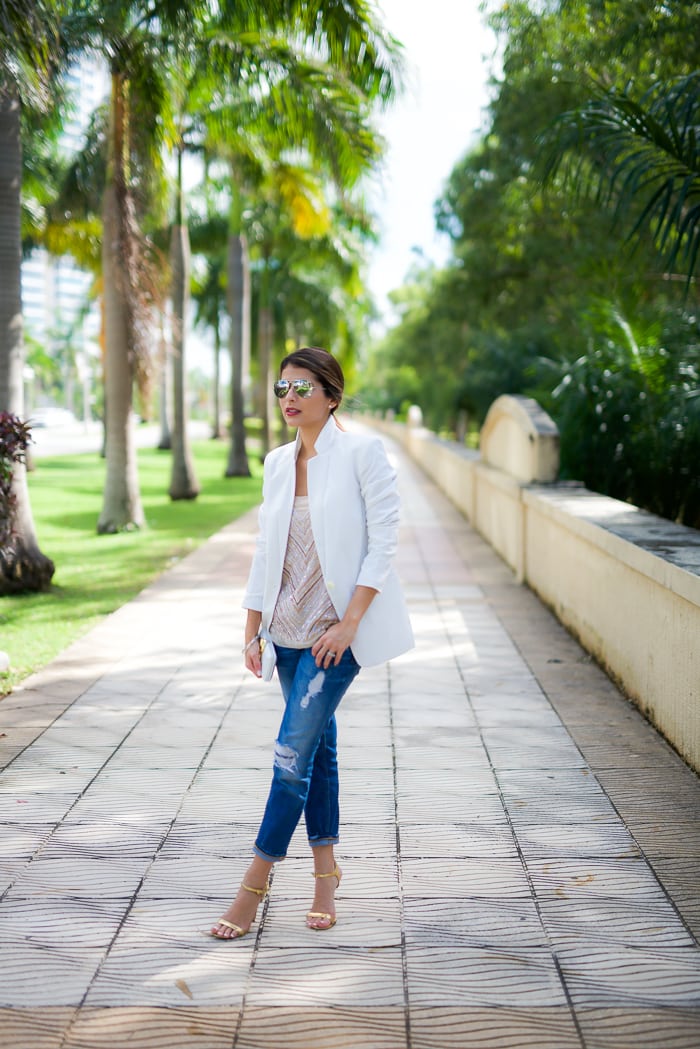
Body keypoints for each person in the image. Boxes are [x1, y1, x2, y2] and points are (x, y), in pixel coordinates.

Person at [210, 346, 413, 940]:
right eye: (282, 388)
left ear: (331, 394)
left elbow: (385, 542)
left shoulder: (362, 453)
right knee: (318, 755)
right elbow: (266, 550)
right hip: (287, 633)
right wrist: (251, 627)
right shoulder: (276, 462)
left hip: (334, 640)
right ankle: (327, 877)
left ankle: (253, 885)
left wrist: (349, 624)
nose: (289, 398)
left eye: (301, 387)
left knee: (290, 758)